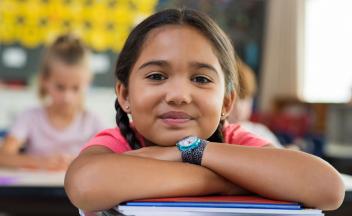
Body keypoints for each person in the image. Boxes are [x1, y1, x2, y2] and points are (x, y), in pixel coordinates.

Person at [64, 8, 344, 214]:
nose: (178, 96)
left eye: (201, 79)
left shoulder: (236, 140)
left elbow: (328, 189)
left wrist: (193, 151)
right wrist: (232, 181)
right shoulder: (118, 144)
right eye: (157, 76)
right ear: (125, 95)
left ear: (226, 103)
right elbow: (85, 185)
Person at [0, 34, 104, 170]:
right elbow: (3, 157)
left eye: (75, 88)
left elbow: (112, 159)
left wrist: (79, 162)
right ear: (45, 81)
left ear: (87, 84)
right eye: (60, 87)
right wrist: (39, 162)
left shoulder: (92, 121)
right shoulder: (30, 117)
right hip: (36, 190)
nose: (67, 97)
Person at [227, 59, 282, 148]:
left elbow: (282, 154)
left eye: (244, 98)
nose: (238, 108)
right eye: (233, 100)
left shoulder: (259, 131)